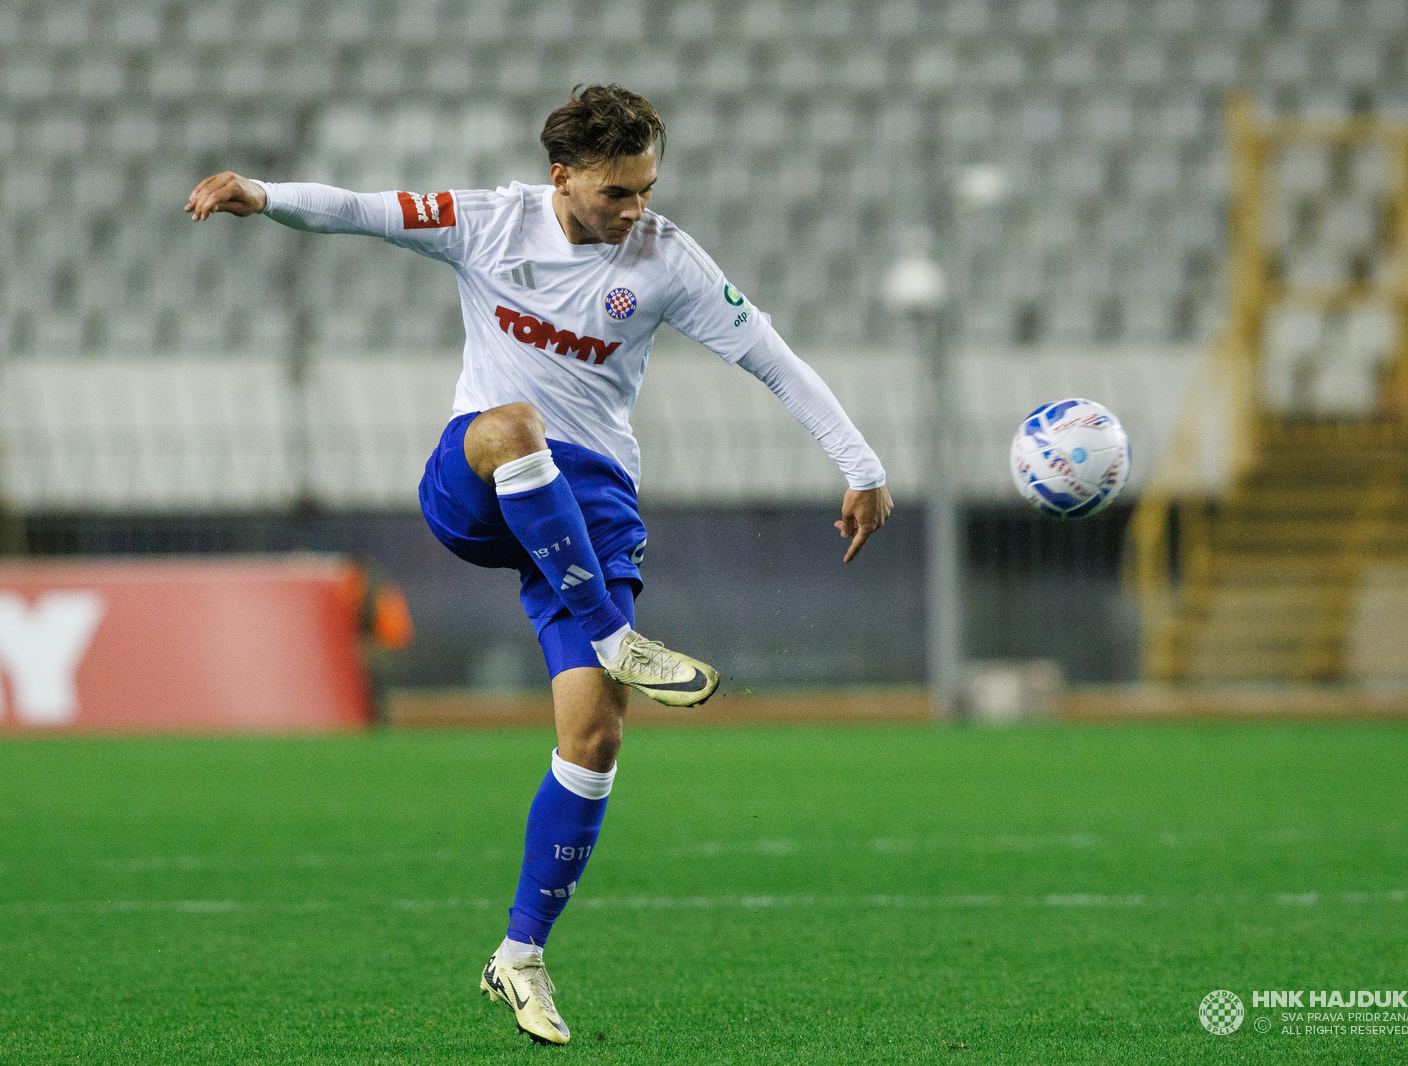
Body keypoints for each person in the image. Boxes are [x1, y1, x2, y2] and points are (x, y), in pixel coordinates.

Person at [186, 84, 892, 1046]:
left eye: (646, 188)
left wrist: (861, 464)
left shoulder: (666, 261)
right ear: (562, 178)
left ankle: (518, 955)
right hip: (477, 474)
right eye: (617, 193)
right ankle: (614, 634)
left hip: (590, 496)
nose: (636, 208)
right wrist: (259, 193)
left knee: (594, 739)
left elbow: (768, 356)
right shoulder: (488, 223)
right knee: (517, 426)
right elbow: (362, 210)